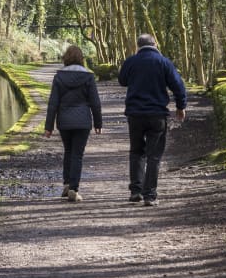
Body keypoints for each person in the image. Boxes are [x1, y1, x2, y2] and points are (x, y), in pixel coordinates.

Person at [118, 33, 187, 207]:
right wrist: (181, 107)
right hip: (157, 114)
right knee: (154, 156)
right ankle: (149, 195)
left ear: (138, 46)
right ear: (155, 44)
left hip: (135, 114)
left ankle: (135, 191)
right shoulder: (164, 62)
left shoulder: (131, 61)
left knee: (136, 152)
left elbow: (122, 81)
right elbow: (178, 86)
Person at [43, 44, 103, 203]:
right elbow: (95, 103)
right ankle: (74, 189)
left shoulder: (59, 77)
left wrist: (48, 127)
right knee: (77, 154)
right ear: (81, 59)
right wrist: (98, 122)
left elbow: (53, 103)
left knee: (68, 151)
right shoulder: (89, 77)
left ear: (66, 58)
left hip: (64, 120)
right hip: (83, 121)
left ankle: (67, 183)